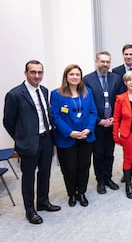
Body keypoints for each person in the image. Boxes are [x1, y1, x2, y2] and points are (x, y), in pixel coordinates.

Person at [3, 60, 61, 224]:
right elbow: (8, 121)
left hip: (47, 139)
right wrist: (21, 138)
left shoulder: (43, 90)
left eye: (40, 72)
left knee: (45, 172)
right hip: (28, 143)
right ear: (26, 73)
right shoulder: (14, 94)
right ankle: (30, 210)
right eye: (33, 72)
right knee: (28, 178)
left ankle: (43, 202)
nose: (37, 76)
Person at [50, 64, 97, 207]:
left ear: (81, 77)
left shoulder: (87, 92)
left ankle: (81, 192)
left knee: (84, 166)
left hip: (85, 136)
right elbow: (55, 116)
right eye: (71, 74)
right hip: (67, 137)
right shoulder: (56, 94)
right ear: (66, 76)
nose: (75, 77)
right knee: (69, 167)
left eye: (77, 74)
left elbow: (93, 113)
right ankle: (71, 193)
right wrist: (70, 132)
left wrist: (89, 129)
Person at [83, 51, 123, 195]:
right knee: (98, 153)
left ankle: (108, 178)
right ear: (96, 62)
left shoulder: (116, 78)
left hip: (112, 123)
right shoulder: (87, 79)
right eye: (102, 61)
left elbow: (120, 99)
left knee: (109, 153)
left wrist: (114, 118)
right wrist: (99, 120)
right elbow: (86, 103)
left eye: (107, 62)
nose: (105, 64)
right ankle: (100, 180)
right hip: (97, 124)